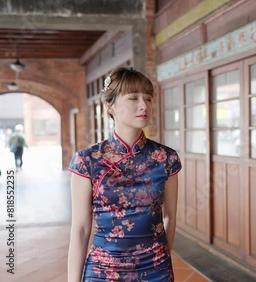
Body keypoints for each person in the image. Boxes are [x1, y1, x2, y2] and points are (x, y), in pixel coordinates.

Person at [67, 67, 181, 282]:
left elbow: (169, 216)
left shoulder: (166, 158)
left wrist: (162, 259)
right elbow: (81, 229)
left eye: (148, 98)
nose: (143, 105)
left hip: (155, 269)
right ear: (109, 106)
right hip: (103, 270)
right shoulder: (87, 160)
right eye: (133, 98)